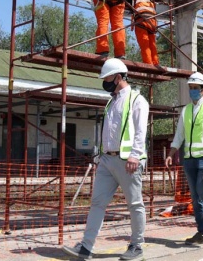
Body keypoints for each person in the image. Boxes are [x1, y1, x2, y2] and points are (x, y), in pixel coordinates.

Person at [63, 58, 149, 261]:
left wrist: (135, 155)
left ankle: (136, 246)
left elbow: (140, 131)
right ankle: (86, 247)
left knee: (135, 204)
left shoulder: (137, 100)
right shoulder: (111, 101)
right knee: (97, 203)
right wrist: (100, 156)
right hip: (107, 161)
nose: (105, 81)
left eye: (107, 78)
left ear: (118, 77)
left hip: (128, 161)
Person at [164, 72, 203, 245]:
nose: (192, 91)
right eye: (190, 88)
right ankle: (202, 232)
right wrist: (171, 154)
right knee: (194, 197)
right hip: (189, 160)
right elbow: (179, 135)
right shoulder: (186, 110)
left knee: (202, 190)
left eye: (195, 88)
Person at [124, 0, 168, 65]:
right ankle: (155, 63)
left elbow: (122, 1)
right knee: (152, 44)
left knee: (144, 44)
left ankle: (148, 64)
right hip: (152, 21)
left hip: (141, 20)